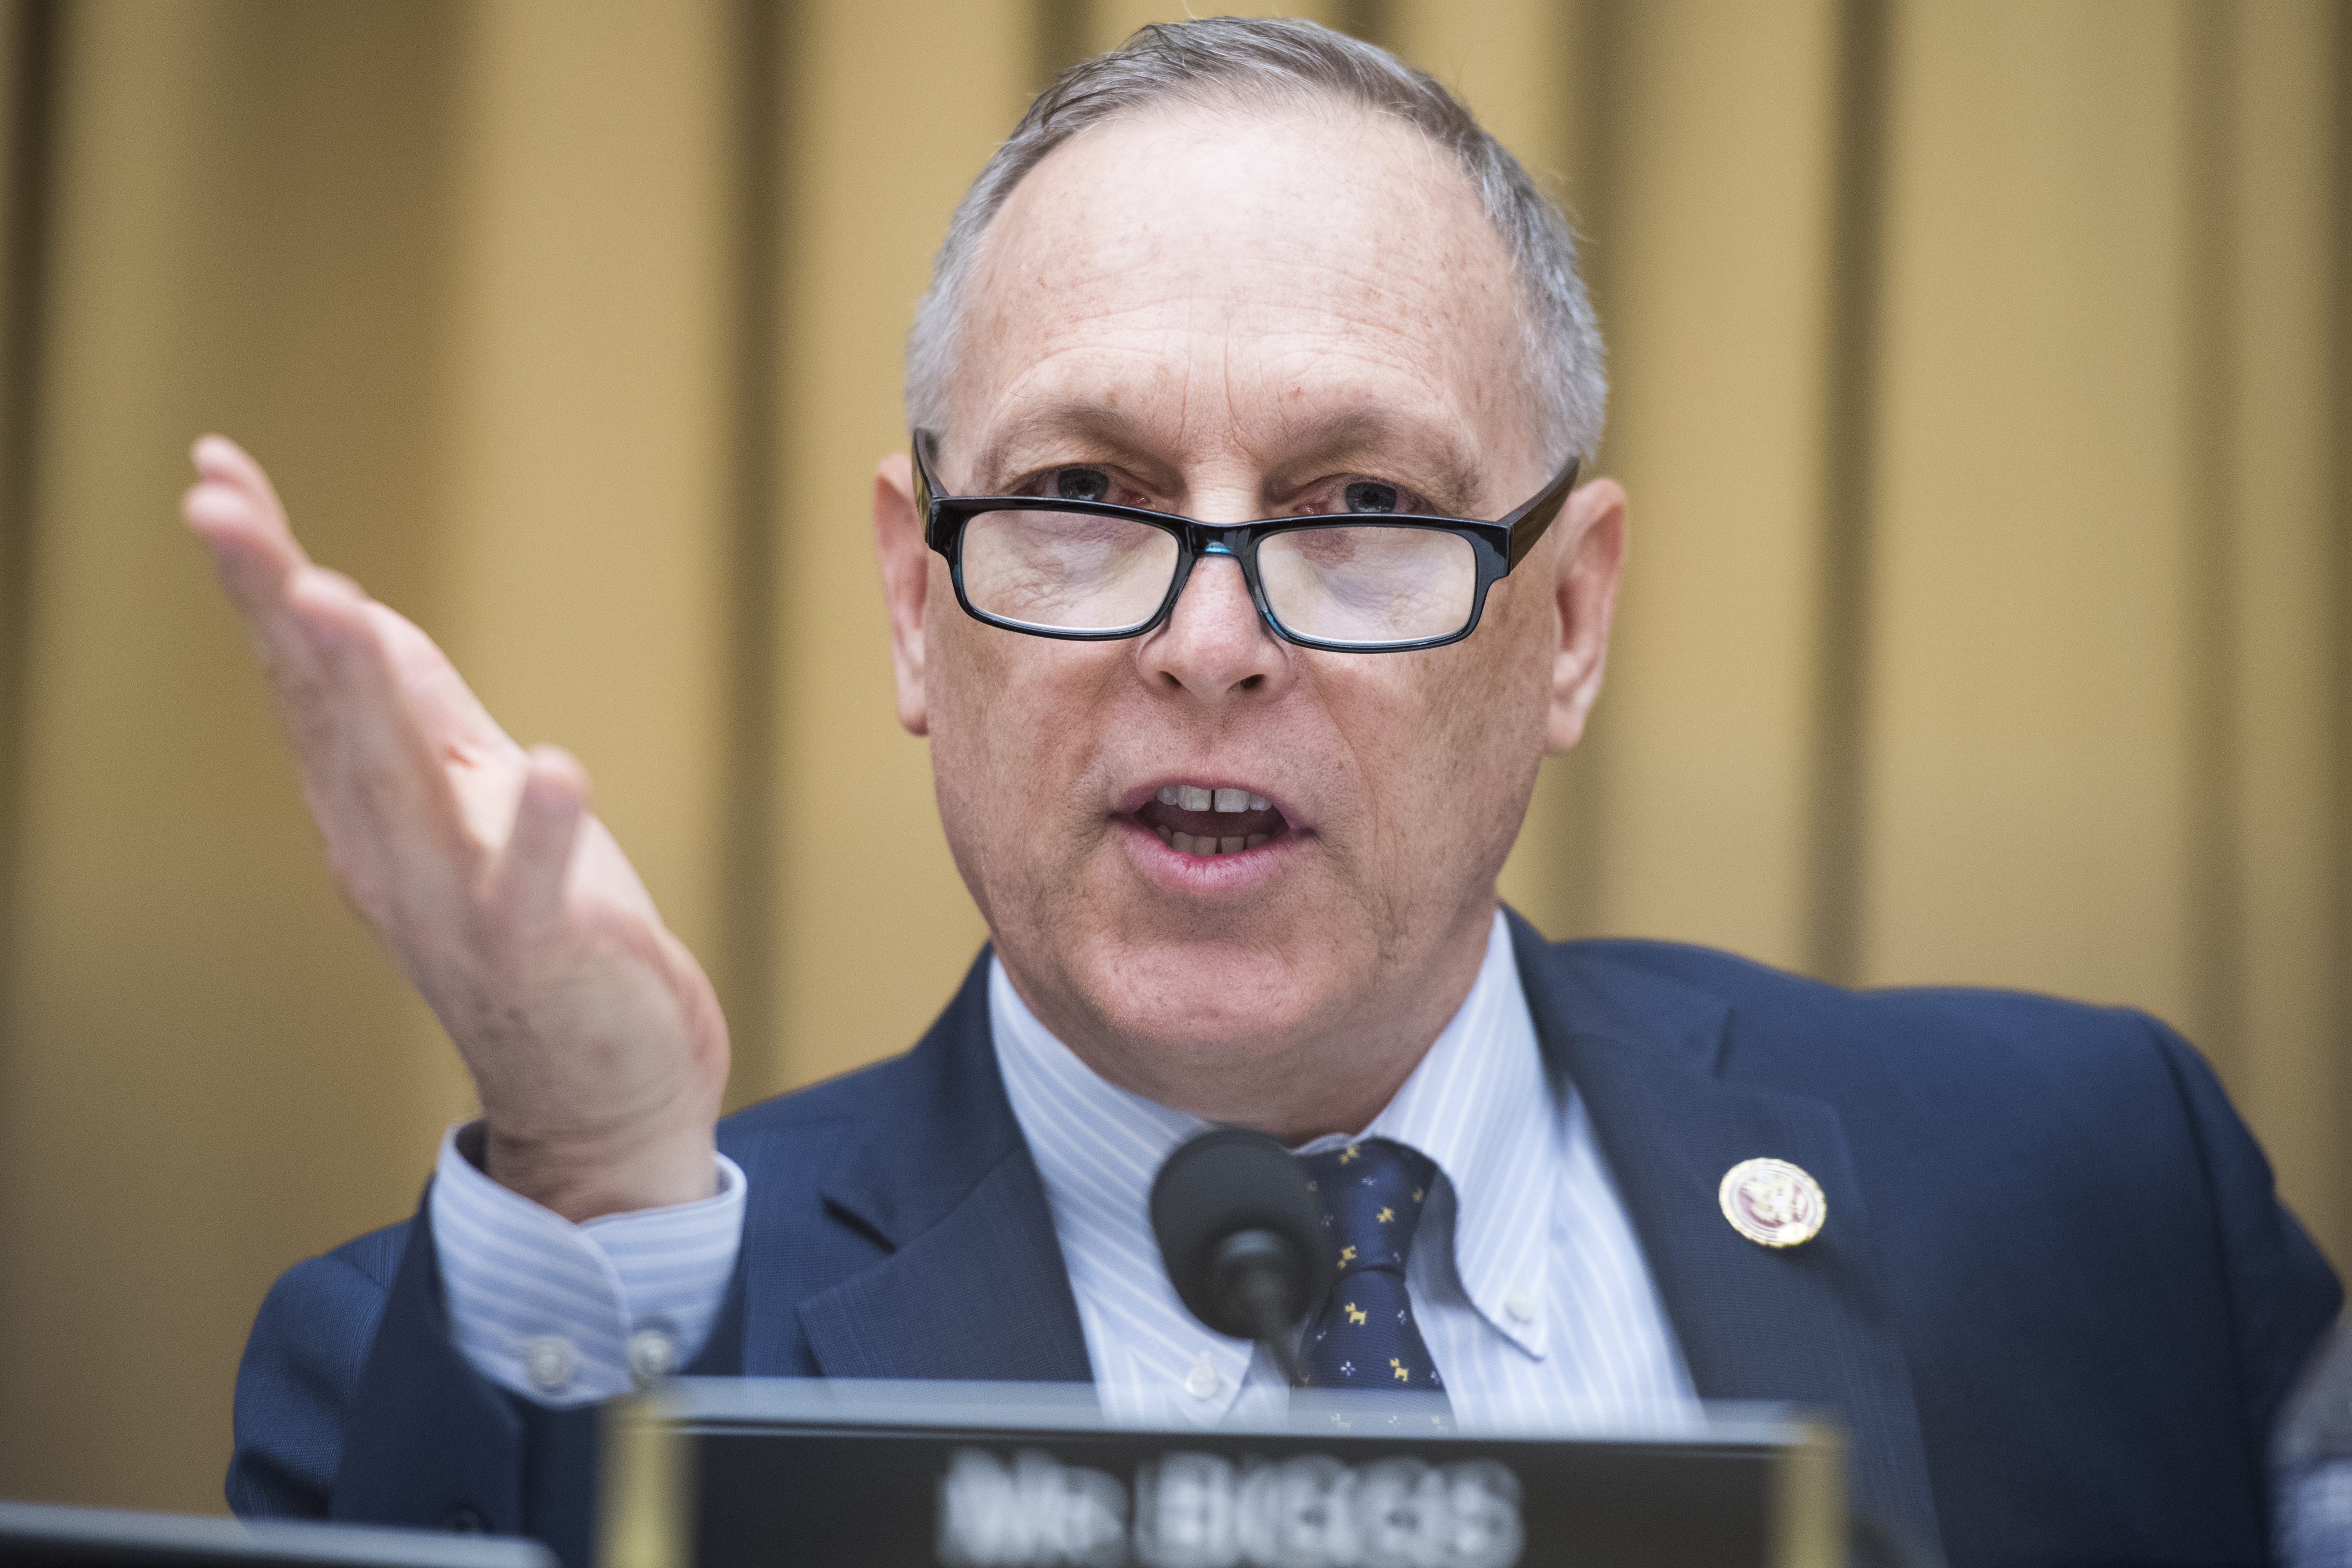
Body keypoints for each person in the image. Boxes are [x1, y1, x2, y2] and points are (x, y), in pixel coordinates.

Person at [186, 19, 2338, 1568]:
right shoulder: (506, 1328)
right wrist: (589, 1172)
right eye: (1085, 495)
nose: (1208, 637)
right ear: (916, 607)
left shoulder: (2092, 1186)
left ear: (1570, 616)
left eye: (1361, 503)